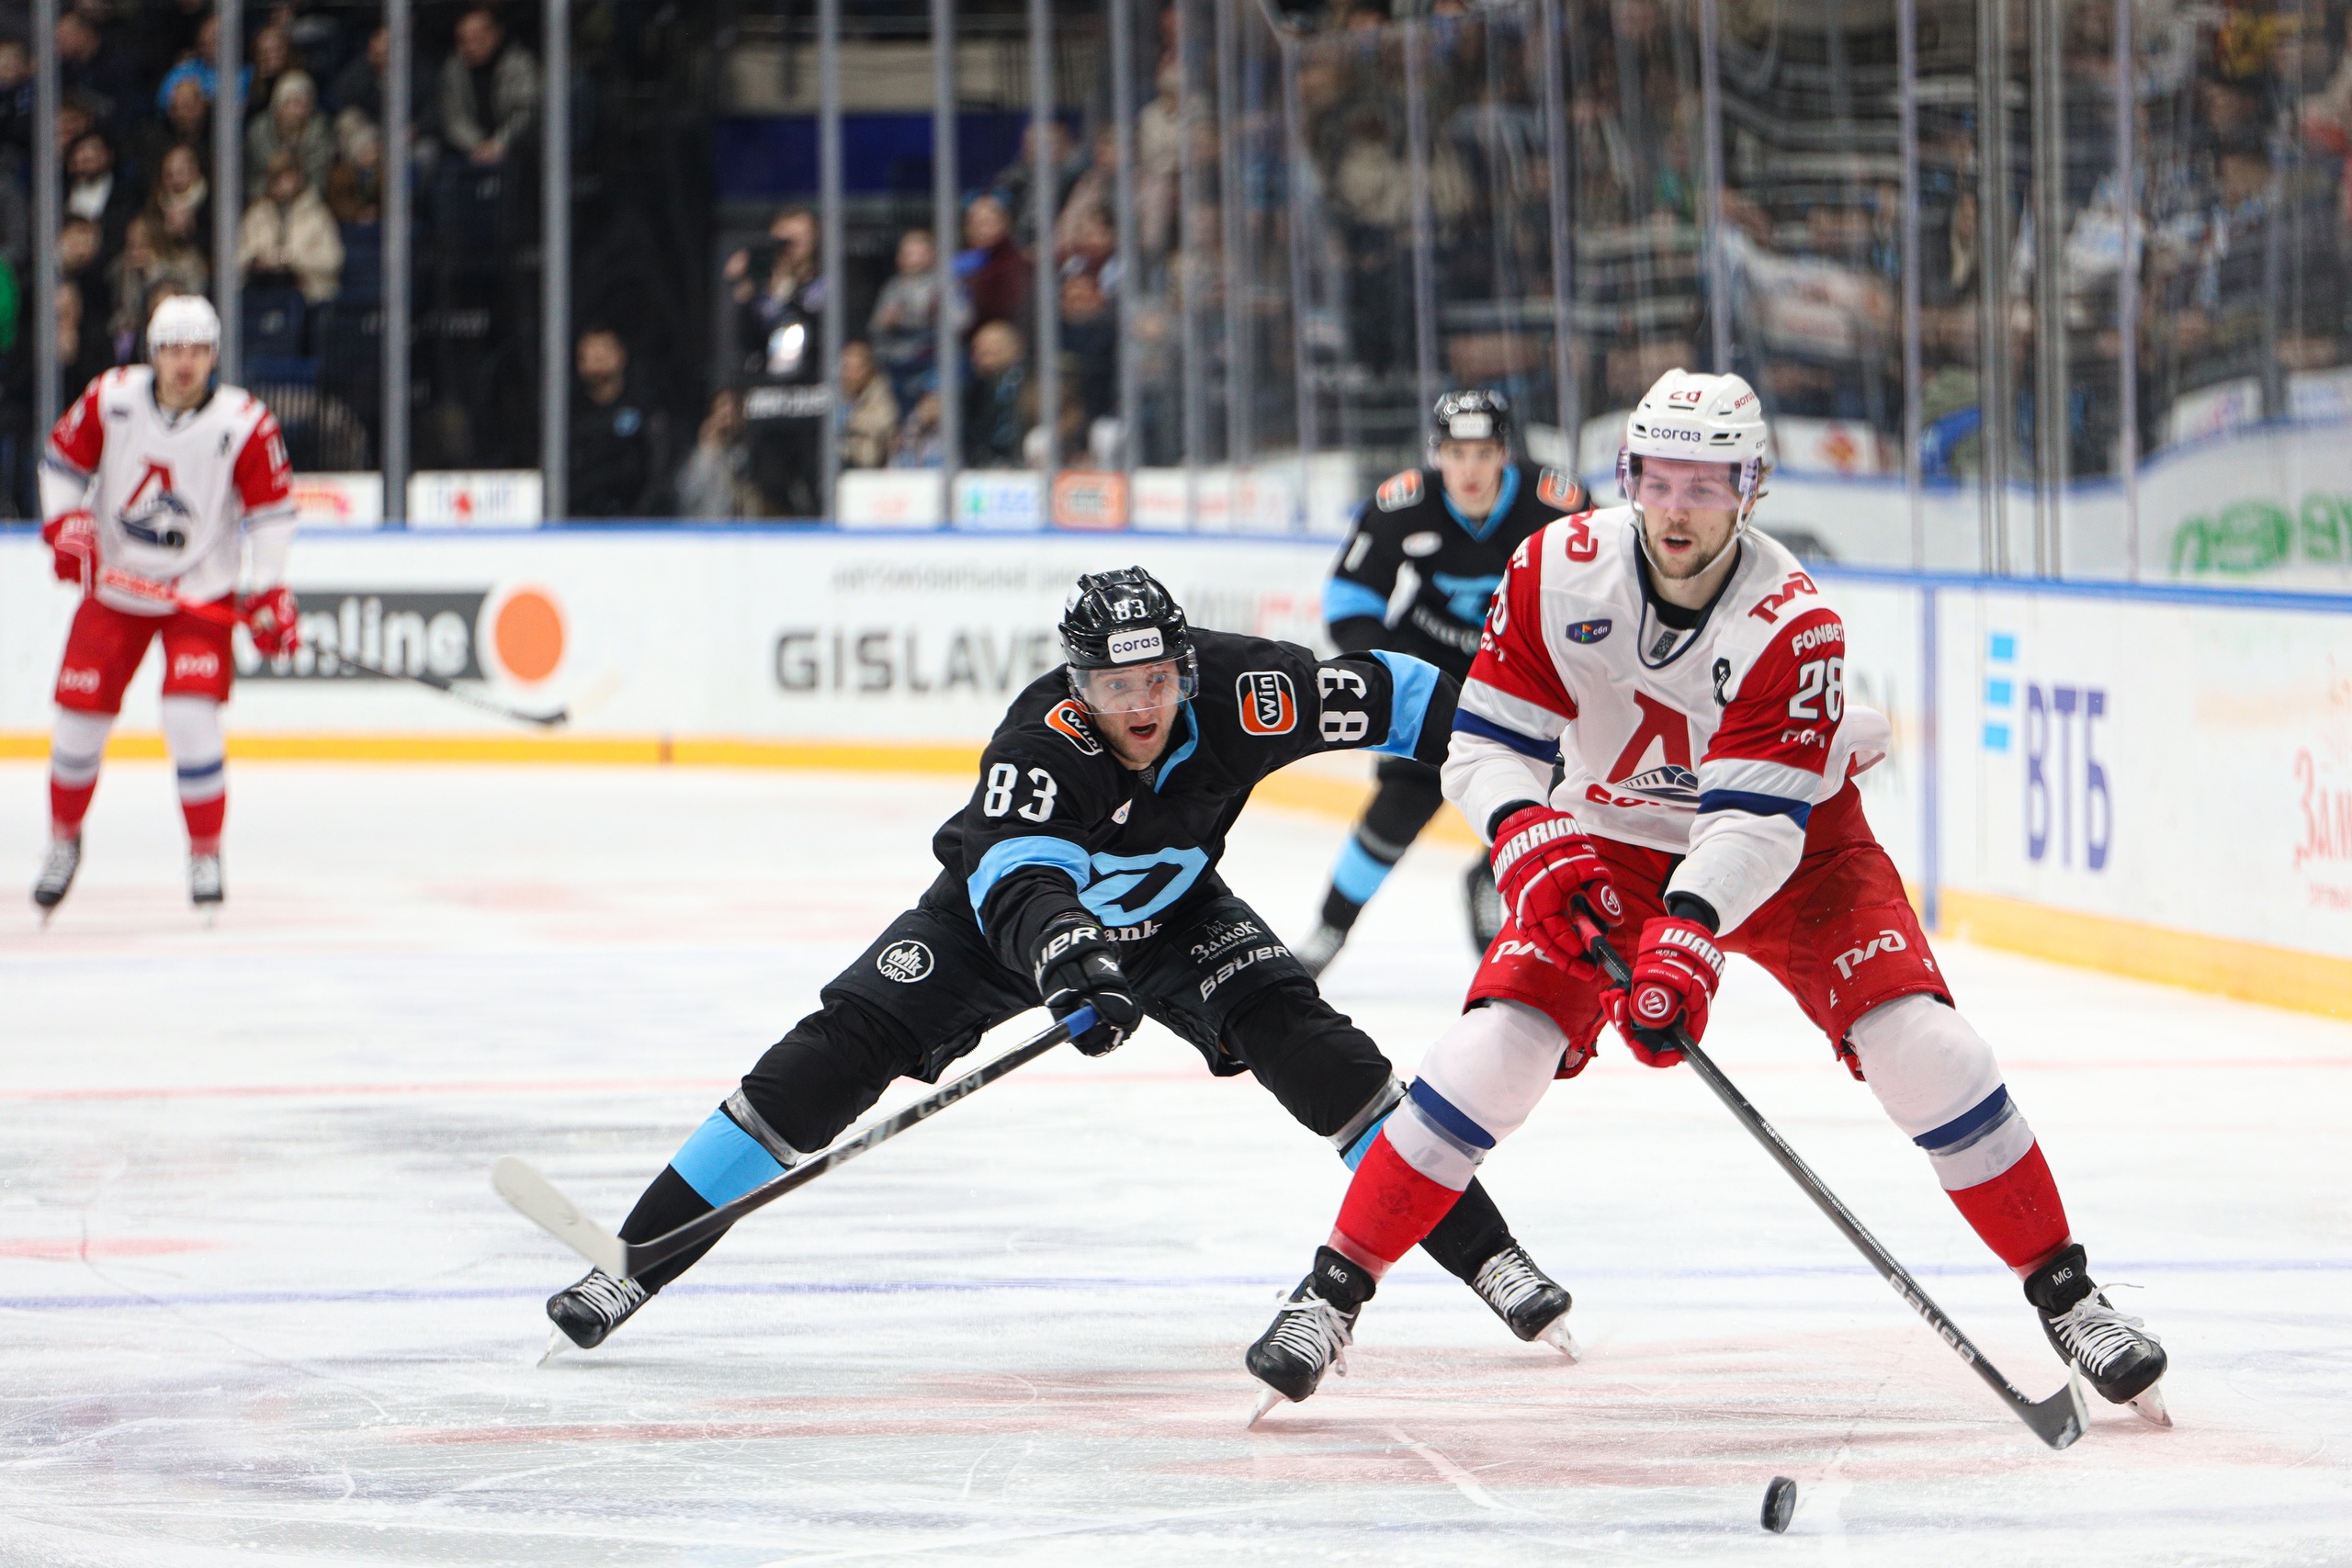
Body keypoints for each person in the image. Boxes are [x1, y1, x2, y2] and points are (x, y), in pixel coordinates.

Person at [1242, 369, 2171, 1428]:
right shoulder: (1555, 568)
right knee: (1491, 1050)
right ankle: (1331, 1291)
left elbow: (1752, 823)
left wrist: (1686, 933)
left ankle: (2068, 1295)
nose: (1676, 509)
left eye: (1705, 485)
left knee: (1927, 1049)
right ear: (1627, 476)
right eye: (1658, 481)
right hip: (1610, 840)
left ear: (1750, 488)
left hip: (1798, 851)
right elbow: (1488, 743)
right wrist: (1524, 829)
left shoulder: (1792, 621)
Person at [540, 568, 1579, 1361]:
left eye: (1158, 680)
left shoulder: (1251, 691)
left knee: (1318, 1053)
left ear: (1186, 668)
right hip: (998, 930)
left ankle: (1493, 1258)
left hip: (1176, 918)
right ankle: (629, 1265)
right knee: (832, 1054)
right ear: (1079, 684)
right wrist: (1071, 961)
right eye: (1116, 685)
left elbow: (1406, 695)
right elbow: (1020, 881)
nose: (1141, 705)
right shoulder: (1041, 743)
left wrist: (1552, 770)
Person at [1295, 389, 1588, 977]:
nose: (1469, 471)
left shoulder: (1557, 504)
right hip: (1428, 669)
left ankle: (1489, 877)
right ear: (1436, 454)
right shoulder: (1403, 504)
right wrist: (1395, 674)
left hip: (1522, 675)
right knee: (1399, 806)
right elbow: (1348, 601)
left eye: (1483, 454)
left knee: (1542, 802)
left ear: (1504, 453)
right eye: (1456, 454)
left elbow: (1606, 594)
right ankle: (1328, 930)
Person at [32, 295, 299, 916]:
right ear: (153, 353)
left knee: (189, 718)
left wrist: (269, 589)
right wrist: (65, 523)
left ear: (215, 354)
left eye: (198, 350)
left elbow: (271, 512)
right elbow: (61, 463)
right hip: (116, 589)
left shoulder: (245, 422)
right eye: (174, 349)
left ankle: (205, 850)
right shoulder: (112, 397)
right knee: (77, 726)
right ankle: (63, 840)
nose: (185, 362)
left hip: (198, 594)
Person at [567, 326, 671, 517]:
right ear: (580, 363)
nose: (599, 357)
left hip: (635, 521)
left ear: (621, 356)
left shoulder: (644, 407)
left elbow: (660, 470)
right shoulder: (567, 415)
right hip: (579, 521)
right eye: (591, 352)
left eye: (605, 349)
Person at [236, 151, 344, 305]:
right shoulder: (256, 213)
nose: (282, 183)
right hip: (262, 289)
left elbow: (333, 259)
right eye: (277, 178)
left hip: (308, 295)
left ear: (299, 178)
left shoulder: (317, 214)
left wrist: (294, 259)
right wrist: (255, 260)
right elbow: (237, 256)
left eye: (288, 177)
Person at [437, 6, 539, 166]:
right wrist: (479, 145)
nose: (470, 47)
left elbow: (525, 111)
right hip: (472, 152)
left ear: (496, 35)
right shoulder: (454, 68)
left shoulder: (518, 64)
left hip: (520, 148)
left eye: (477, 39)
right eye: (463, 41)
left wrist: (500, 143)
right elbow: (454, 117)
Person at [837, 340, 898, 469]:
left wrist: (850, 420)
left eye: (856, 369)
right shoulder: (837, 393)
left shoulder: (879, 391)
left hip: (869, 467)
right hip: (838, 461)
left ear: (867, 369)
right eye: (846, 368)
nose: (849, 375)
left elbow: (884, 421)